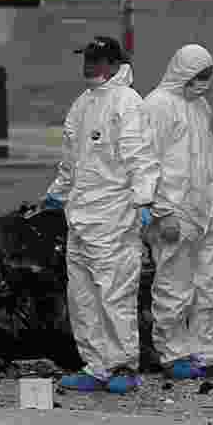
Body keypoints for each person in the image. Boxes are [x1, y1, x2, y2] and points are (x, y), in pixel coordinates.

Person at [44, 36, 159, 394]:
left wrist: (143, 200)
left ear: (113, 63)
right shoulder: (82, 105)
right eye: (87, 59)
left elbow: (140, 155)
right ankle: (96, 365)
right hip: (81, 217)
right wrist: (58, 194)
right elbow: (72, 159)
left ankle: (124, 365)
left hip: (114, 217)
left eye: (96, 59)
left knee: (115, 295)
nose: (89, 66)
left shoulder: (127, 103)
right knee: (83, 298)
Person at [141, 44, 213, 380]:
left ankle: (208, 352)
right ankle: (174, 354)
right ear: (182, 72)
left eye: (208, 76)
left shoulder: (200, 106)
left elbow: (207, 157)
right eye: (198, 76)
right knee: (174, 285)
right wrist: (161, 211)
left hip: (204, 210)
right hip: (174, 212)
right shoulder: (156, 106)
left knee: (210, 282)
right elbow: (146, 161)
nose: (204, 83)